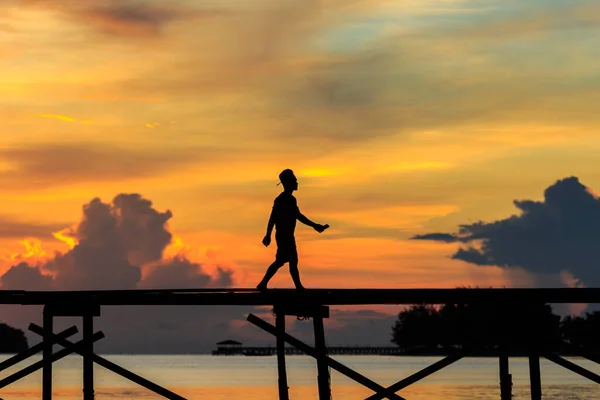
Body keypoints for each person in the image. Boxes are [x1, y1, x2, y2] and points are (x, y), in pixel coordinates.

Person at [256, 169, 328, 290]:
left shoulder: (289, 199)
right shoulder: (283, 199)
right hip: (284, 235)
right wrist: (267, 235)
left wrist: (315, 225)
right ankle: (293, 286)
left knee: (286, 261)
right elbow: (273, 218)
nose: (297, 182)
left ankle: (266, 284)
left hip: (287, 235)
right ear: (288, 182)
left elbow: (297, 215)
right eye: (294, 180)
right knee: (287, 260)